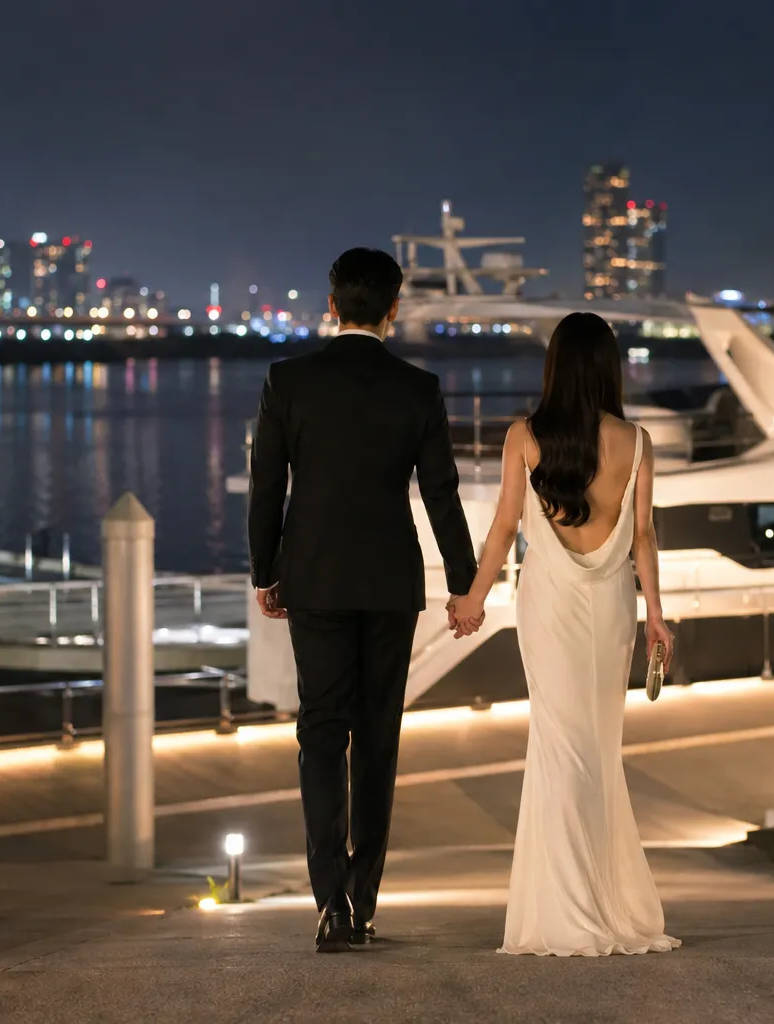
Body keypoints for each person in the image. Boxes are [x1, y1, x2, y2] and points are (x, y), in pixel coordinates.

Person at [248, 247, 480, 954]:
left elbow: (267, 489)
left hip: (312, 577)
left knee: (321, 733)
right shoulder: (418, 388)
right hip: (388, 581)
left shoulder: (288, 381)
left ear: (330, 305)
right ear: (393, 308)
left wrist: (266, 570)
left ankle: (329, 904)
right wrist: (464, 583)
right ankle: (365, 900)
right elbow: (440, 493)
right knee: (377, 737)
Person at [450, 311, 680, 957]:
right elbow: (643, 538)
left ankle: (568, 909)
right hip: (610, 609)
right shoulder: (635, 441)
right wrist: (656, 614)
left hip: (547, 606)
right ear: (609, 368)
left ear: (555, 367)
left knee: (560, 745)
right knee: (598, 749)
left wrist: (471, 599)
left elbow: (501, 530)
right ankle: (600, 905)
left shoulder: (524, 435)